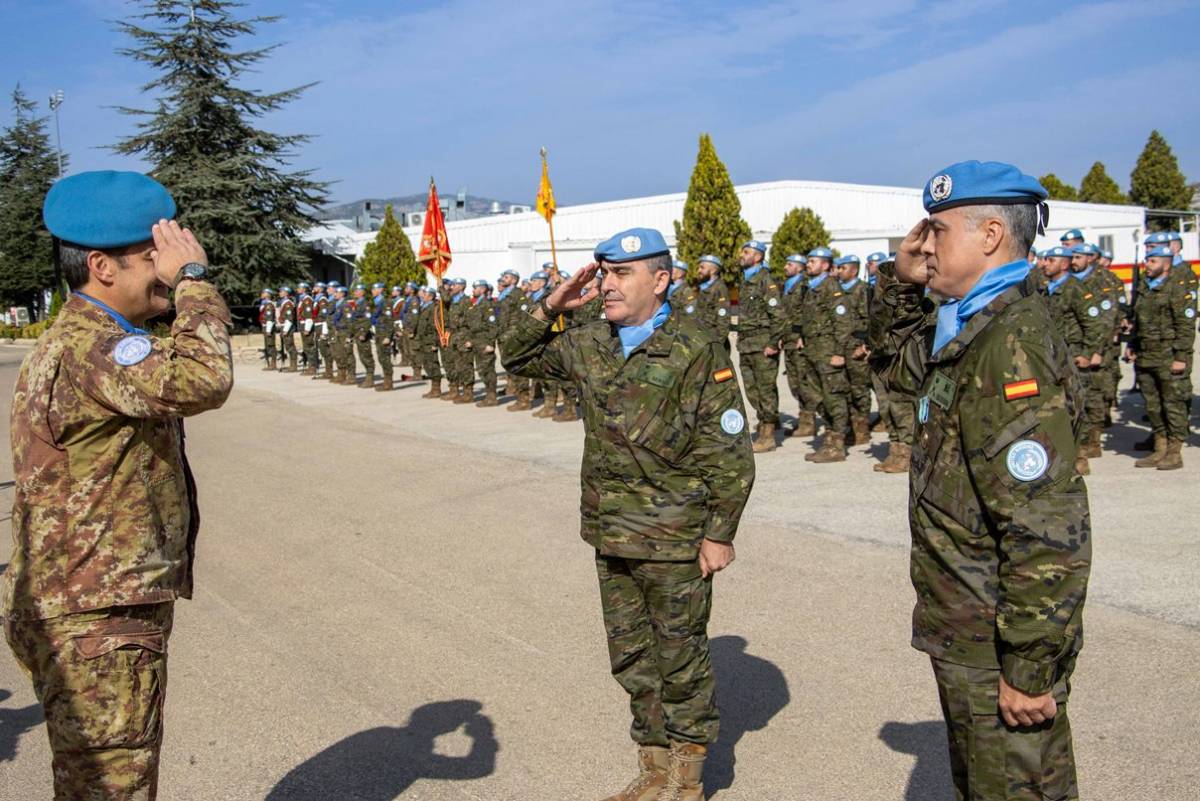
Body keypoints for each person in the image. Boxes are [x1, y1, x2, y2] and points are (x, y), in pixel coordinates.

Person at [502, 227, 754, 801]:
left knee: (681, 656)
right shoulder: (589, 341)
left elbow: (728, 449)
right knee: (632, 657)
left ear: (660, 280)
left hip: (674, 536)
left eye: (621, 274)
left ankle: (689, 779)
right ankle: (654, 768)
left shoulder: (696, 346)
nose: (607, 285)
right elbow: (515, 357)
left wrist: (720, 532)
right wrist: (551, 305)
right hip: (611, 530)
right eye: (604, 272)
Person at [4, 170, 233, 798]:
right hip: (97, 618)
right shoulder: (95, 346)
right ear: (102, 266)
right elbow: (204, 379)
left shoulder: (85, 340)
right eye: (152, 256)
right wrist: (193, 280)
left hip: (81, 607)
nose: (164, 269)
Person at [873, 160, 1091, 801]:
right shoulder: (971, 324)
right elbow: (893, 369)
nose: (923, 245)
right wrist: (901, 283)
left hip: (999, 633)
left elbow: (1048, 528)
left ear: (991, 234)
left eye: (936, 231)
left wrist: (1028, 665)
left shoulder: (1010, 344)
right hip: (969, 625)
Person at [1126, 245, 1195, 470]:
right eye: (1147, 260)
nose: (1148, 264)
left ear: (1166, 264)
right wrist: (1133, 345)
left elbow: (1185, 327)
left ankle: (1174, 452)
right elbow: (1139, 321)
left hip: (1168, 357)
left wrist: (1181, 357)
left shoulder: (1177, 288)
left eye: (1153, 261)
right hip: (1146, 356)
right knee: (1153, 406)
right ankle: (1160, 447)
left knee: (1173, 405)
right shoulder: (1145, 287)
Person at [736, 239, 786, 452]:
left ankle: (768, 436)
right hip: (746, 344)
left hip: (763, 345)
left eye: (746, 252)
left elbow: (779, 315)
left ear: (757, 256)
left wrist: (773, 343)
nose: (742, 255)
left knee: (765, 390)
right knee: (751, 390)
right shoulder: (746, 281)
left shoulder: (766, 281)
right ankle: (766, 423)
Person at [831, 255, 873, 446]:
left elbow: (870, 320)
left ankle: (862, 429)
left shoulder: (862, 290)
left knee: (859, 390)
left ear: (854, 270)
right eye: (838, 268)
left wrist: (864, 346)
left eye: (843, 268)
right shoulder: (838, 291)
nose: (839, 271)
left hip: (856, 346)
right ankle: (851, 428)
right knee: (845, 390)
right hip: (841, 346)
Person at [780, 254, 821, 438]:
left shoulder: (805, 286)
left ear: (799, 267)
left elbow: (806, 314)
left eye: (789, 264)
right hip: (788, 340)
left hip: (799, 342)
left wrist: (801, 335)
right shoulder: (787, 286)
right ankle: (805, 419)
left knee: (804, 383)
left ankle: (808, 422)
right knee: (794, 383)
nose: (785, 267)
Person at [465, 279, 500, 406]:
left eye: (475, 288)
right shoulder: (475, 305)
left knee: (488, 370)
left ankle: (492, 397)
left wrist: (491, 343)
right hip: (477, 342)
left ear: (482, 289)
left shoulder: (486, 305)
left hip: (485, 342)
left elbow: (493, 326)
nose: (473, 290)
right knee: (482, 370)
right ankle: (489, 395)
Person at [693, 255, 731, 349]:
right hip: (703, 341)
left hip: (713, 343)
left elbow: (723, 321)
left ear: (713, 271)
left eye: (702, 267)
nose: (698, 270)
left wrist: (717, 346)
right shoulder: (704, 288)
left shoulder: (720, 288)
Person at [414, 286, 445, 398]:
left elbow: (435, 326)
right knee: (427, 364)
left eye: (425, 294)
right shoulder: (424, 307)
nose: (423, 296)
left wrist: (434, 343)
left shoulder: (433, 308)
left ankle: (436, 389)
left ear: (431, 296)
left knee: (432, 365)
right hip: (423, 340)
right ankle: (433, 388)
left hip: (429, 340)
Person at [276, 286, 298, 373]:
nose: (280, 293)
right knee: (287, 346)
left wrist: (285, 330)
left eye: (281, 291)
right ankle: (292, 365)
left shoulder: (288, 304)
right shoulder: (283, 303)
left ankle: (294, 366)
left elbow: (289, 318)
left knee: (290, 346)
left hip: (287, 327)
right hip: (284, 326)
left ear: (286, 293)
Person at [258, 287, 277, 370]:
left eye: (263, 293)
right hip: (265, 326)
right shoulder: (264, 304)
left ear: (268, 295)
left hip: (268, 327)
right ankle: (271, 364)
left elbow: (270, 318)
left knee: (270, 345)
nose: (261, 294)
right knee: (268, 345)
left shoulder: (269, 305)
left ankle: (273, 364)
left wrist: (268, 330)